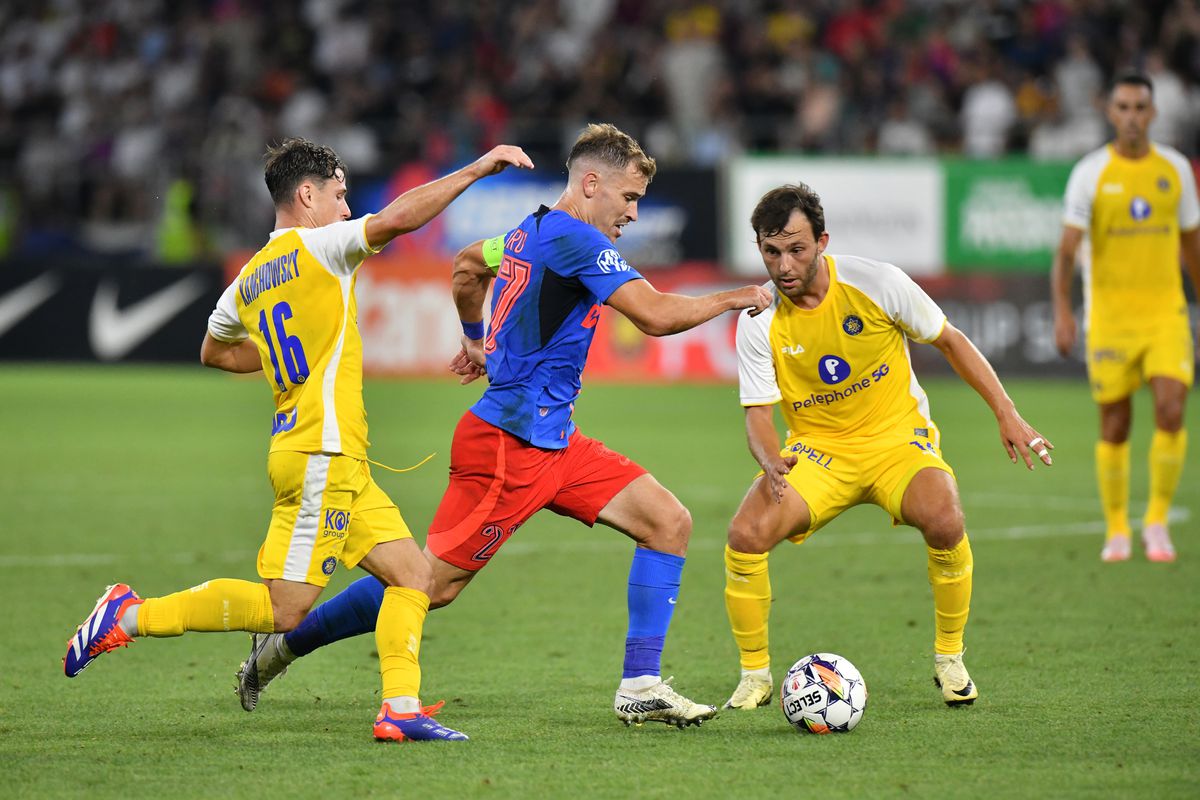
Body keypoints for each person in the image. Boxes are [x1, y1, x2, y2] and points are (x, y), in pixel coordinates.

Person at [236, 122, 773, 728]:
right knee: (428, 583)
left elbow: (468, 264)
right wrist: (734, 298)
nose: (633, 212)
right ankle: (285, 643)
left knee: (668, 521)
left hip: (556, 442)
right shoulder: (576, 240)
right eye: (629, 197)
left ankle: (641, 685)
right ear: (591, 183)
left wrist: (475, 339)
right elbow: (653, 314)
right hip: (508, 447)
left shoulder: (527, 232)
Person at [63, 137, 533, 743]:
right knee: (285, 609)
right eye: (339, 195)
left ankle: (400, 708)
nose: (346, 208)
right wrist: (477, 168)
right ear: (306, 196)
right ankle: (128, 615)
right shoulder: (323, 246)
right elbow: (395, 219)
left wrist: (288, 364)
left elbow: (213, 351)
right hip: (320, 456)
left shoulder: (248, 278)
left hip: (334, 459)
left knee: (414, 577)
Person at [721, 183, 1054, 712]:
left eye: (797, 248)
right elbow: (758, 414)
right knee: (745, 535)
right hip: (819, 453)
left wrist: (1006, 411)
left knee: (945, 518)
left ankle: (950, 658)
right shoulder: (758, 321)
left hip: (897, 441)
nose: (783, 265)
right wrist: (768, 458)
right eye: (771, 251)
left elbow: (950, 339)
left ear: (822, 241)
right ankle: (754, 676)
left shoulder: (877, 282)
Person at [1052, 72, 1200, 563]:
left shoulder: (1175, 170)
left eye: (1141, 107)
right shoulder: (1090, 173)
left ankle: (1156, 521)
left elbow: (1192, 244)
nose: (1133, 117)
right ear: (1110, 112)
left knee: (1172, 408)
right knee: (1114, 422)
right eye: (1124, 108)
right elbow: (1067, 252)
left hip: (1165, 314)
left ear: (1153, 113)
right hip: (1110, 318)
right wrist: (1063, 313)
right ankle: (1117, 527)